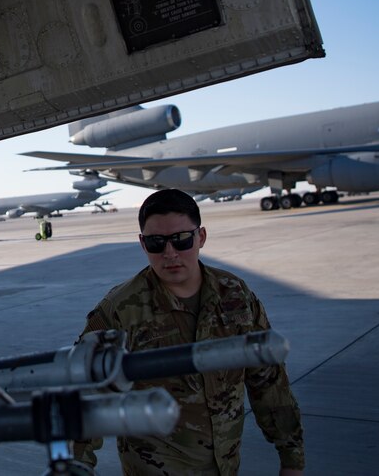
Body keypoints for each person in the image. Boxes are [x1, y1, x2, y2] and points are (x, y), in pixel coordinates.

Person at [73, 188, 304, 475]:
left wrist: (291, 456)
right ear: (143, 244)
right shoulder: (119, 310)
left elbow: (268, 379)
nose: (170, 253)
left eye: (181, 239)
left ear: (201, 237)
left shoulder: (235, 295)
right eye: (156, 243)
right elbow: (86, 395)